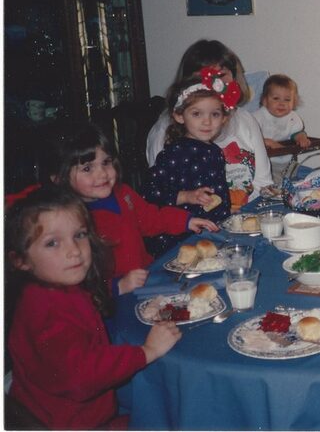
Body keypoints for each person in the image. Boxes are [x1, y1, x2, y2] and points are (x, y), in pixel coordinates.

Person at [5, 186, 182, 429]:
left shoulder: (53, 287)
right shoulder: (45, 312)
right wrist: (147, 351)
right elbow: (81, 375)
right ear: (20, 260)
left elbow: (83, 297)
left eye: (79, 235)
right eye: (52, 243)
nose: (74, 250)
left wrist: (117, 286)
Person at [49, 123, 218, 292]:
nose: (102, 174)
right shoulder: (72, 222)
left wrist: (186, 220)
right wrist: (117, 286)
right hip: (114, 298)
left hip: (147, 275)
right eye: (87, 168)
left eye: (106, 162)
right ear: (59, 178)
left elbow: (151, 218)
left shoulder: (123, 193)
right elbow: (78, 281)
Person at [146, 39, 271, 211]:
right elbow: (159, 196)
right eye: (201, 76)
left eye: (220, 76)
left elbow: (264, 183)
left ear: (234, 77)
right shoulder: (164, 130)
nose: (212, 83)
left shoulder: (246, 120)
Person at [144, 72, 236, 256]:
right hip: (179, 240)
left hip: (212, 234)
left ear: (224, 118)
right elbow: (148, 193)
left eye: (215, 114)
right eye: (196, 114)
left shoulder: (215, 151)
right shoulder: (174, 153)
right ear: (179, 116)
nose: (207, 121)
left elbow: (219, 192)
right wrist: (185, 196)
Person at [252, 74, 311, 176]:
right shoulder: (257, 118)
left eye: (287, 100)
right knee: (273, 185)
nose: (281, 103)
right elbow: (249, 138)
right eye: (276, 98)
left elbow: (297, 132)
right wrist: (267, 142)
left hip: (288, 163)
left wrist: (301, 138)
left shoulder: (292, 118)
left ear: (294, 102)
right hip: (265, 165)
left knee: (309, 175)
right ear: (265, 100)